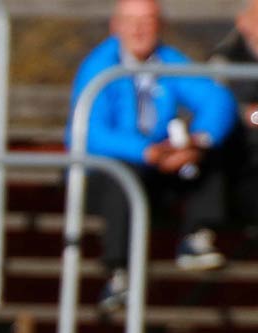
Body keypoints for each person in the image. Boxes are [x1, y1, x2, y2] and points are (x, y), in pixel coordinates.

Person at [69, 0, 238, 311]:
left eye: (147, 20)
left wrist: (196, 142)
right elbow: (90, 134)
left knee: (213, 151)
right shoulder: (99, 68)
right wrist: (146, 151)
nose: (138, 29)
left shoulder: (167, 61)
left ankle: (198, 237)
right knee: (122, 175)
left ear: (160, 26)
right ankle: (119, 273)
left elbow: (217, 100)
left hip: (159, 167)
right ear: (115, 26)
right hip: (108, 174)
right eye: (131, 20)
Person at [209, 0, 258, 228]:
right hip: (239, 149)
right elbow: (213, 107)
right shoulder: (224, 59)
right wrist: (246, 114)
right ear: (243, 22)